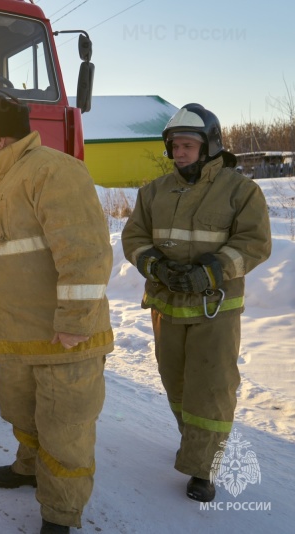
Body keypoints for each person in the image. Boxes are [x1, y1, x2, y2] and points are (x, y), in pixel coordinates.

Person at [0, 96, 114, 534]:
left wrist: (73, 322)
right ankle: (29, 467)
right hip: (17, 339)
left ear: (0, 138)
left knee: (65, 430)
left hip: (62, 341)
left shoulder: (55, 171)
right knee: (23, 415)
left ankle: (60, 515)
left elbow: (84, 255)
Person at [121, 103, 271, 502]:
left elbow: (255, 244)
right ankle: (194, 444)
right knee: (178, 386)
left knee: (211, 388)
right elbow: (134, 239)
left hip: (215, 310)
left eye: (189, 145)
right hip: (166, 309)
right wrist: (155, 266)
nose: (181, 153)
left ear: (210, 147)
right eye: (175, 146)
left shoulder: (241, 191)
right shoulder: (153, 192)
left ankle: (203, 468)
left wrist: (211, 270)